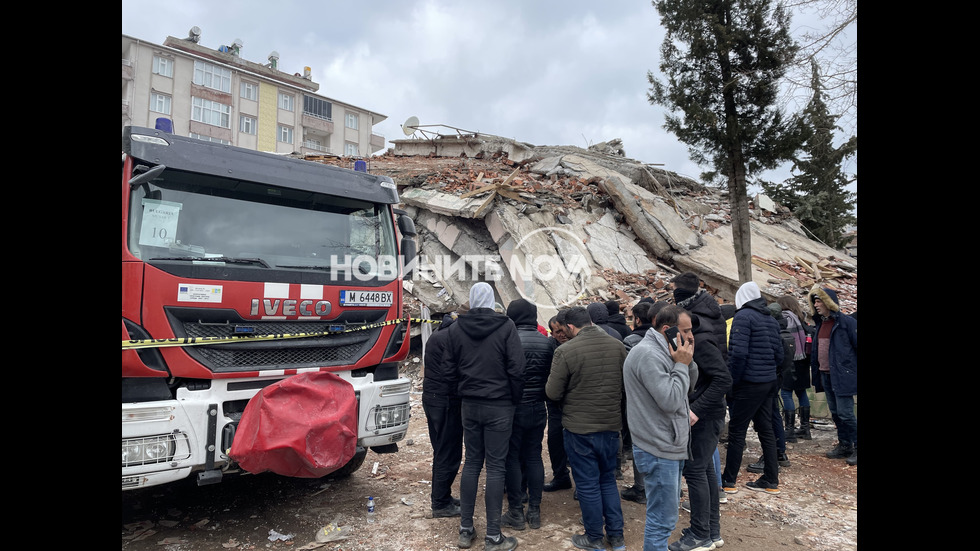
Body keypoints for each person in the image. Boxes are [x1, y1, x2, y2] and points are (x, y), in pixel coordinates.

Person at [446, 282, 526, 551]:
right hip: (500, 404)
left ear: (471, 300)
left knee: (471, 464)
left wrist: (463, 392)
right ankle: (493, 536)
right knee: (495, 467)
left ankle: (465, 529)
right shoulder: (506, 327)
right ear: (492, 301)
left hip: (470, 404)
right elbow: (516, 368)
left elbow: (450, 369)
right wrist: (513, 399)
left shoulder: (457, 328)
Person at [545, 306, 627, 551]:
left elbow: (552, 392)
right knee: (608, 481)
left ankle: (593, 538)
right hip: (611, 426)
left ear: (570, 327)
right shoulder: (617, 346)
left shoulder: (566, 351)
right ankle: (616, 536)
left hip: (580, 430)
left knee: (588, 484)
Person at [623, 305, 698, 551]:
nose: (690, 336)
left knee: (666, 517)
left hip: (668, 443)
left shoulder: (665, 350)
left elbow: (687, 388)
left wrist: (684, 360)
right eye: (686, 331)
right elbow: (671, 400)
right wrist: (682, 365)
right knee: (662, 519)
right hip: (658, 447)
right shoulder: (648, 354)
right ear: (668, 329)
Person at [670, 274, 732, 551]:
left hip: (706, 413)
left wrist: (694, 410)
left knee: (695, 471)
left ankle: (699, 535)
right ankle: (711, 531)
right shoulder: (706, 326)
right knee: (705, 470)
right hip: (707, 411)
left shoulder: (701, 341)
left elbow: (723, 379)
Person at [721, 281, 784, 495]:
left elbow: (738, 354)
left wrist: (732, 381)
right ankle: (771, 480)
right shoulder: (771, 320)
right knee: (765, 429)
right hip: (768, 382)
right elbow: (779, 355)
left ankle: (728, 481)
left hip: (748, 383)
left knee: (737, 431)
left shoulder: (743, 317)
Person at [501, 299, 556, 531]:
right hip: (538, 407)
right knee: (534, 456)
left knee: (512, 457)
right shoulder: (548, 343)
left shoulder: (508, 342)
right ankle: (534, 510)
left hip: (514, 408)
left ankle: (516, 509)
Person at [619, 300, 666, 505]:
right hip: (663, 397)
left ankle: (641, 488)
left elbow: (625, 371)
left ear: (637, 319)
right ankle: (664, 484)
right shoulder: (667, 340)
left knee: (641, 441)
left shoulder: (630, 341)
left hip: (638, 398)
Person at [808, 286, 858, 466]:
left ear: (828, 302)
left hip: (842, 376)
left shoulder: (846, 323)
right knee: (836, 413)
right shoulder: (821, 323)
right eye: (814, 301)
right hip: (826, 374)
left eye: (819, 301)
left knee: (845, 414)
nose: (816, 304)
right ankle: (845, 445)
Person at [423, 308, 465, 519]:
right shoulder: (451, 337)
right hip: (445, 400)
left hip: (433, 397)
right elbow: (454, 371)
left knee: (442, 449)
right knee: (447, 452)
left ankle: (444, 497)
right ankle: (440, 503)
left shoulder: (438, 334)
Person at [776, 295, 814, 440]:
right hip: (803, 361)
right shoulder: (802, 320)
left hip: (790, 362)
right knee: (801, 392)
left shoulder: (786, 319)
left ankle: (789, 431)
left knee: (786, 393)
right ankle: (805, 429)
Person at [543, 314, 573, 493]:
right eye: (556, 332)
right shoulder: (549, 347)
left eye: (562, 330)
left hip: (575, 403)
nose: (560, 334)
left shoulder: (577, 346)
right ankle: (560, 476)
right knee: (555, 441)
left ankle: (581, 484)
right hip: (555, 404)